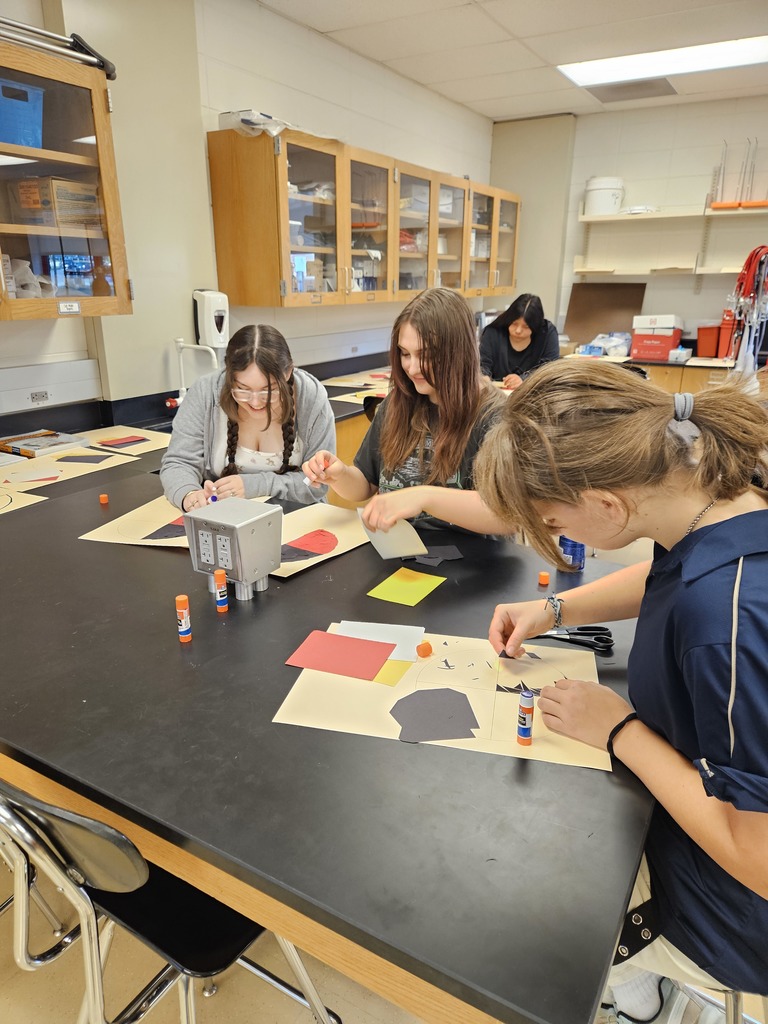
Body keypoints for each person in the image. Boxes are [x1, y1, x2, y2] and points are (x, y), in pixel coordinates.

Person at [474, 361, 768, 1024]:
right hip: (722, 805)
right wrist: (555, 611)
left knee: (522, 878)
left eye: (556, 522)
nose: (558, 541)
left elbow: (758, 861)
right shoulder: (711, 498)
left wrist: (618, 729)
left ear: (607, 506)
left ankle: (637, 993)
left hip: (738, 910)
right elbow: (671, 569)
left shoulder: (729, 624)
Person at [302, 288, 510, 534]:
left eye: (426, 355)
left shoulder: (494, 416)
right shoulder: (396, 404)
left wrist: (423, 497)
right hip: (398, 553)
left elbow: (505, 517)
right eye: (404, 353)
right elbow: (366, 485)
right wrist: (339, 475)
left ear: (458, 351)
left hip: (469, 563)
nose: (412, 368)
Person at [161, 324, 335, 510]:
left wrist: (256, 485)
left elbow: (315, 483)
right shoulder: (206, 392)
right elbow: (179, 462)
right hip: (227, 519)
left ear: (288, 373)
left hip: (300, 517)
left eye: (269, 391)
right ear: (229, 375)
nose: (256, 402)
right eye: (243, 389)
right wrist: (189, 495)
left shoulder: (310, 398)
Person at [479, 292, 559, 389]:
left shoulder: (547, 333)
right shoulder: (493, 332)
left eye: (526, 327)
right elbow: (483, 363)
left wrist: (524, 379)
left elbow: (549, 368)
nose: (518, 331)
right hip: (497, 394)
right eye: (514, 324)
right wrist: (483, 377)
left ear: (535, 327)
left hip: (532, 394)